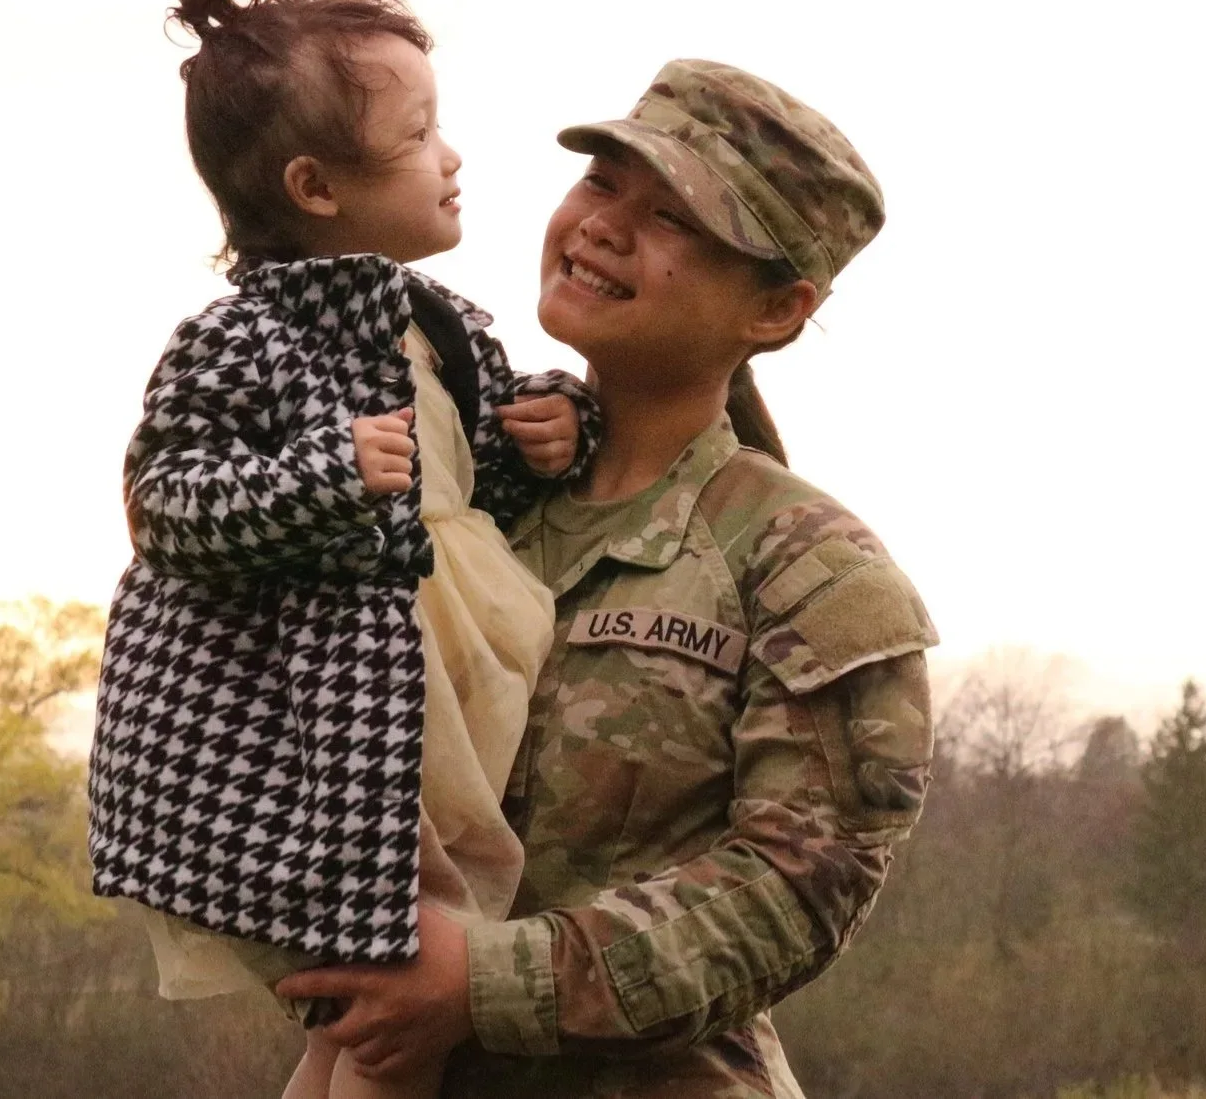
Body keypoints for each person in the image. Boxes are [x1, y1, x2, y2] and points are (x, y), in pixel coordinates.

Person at [276, 59, 939, 1098]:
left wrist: (480, 983)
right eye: (599, 182)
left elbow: (795, 888)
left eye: (672, 217)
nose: (601, 226)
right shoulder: (456, 488)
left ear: (775, 307)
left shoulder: (805, 566)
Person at [86, 0, 600, 1099]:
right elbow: (167, 499)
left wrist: (550, 426)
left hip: (430, 730)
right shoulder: (246, 340)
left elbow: (471, 490)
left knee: (363, 1012)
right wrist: (319, 476)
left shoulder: (443, 329)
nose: (451, 156)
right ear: (315, 186)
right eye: (417, 134)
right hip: (323, 743)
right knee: (392, 1001)